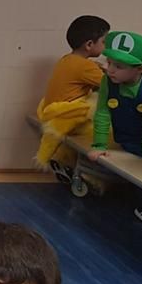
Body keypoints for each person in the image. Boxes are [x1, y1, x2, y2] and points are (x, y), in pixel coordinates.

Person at [35, 15, 109, 181]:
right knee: (105, 127)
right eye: (104, 42)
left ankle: (62, 161)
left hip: (52, 113)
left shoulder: (67, 59)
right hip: (67, 117)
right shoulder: (86, 66)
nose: (105, 47)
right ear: (89, 44)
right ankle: (91, 176)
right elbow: (110, 84)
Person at [89, 30, 142, 225]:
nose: (110, 69)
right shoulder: (108, 82)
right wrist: (99, 144)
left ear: (141, 69)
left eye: (118, 66)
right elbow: (103, 113)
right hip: (129, 140)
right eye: (109, 63)